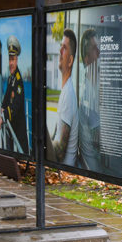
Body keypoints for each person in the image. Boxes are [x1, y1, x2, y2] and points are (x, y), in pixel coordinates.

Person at [47, 29, 79, 166]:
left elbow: (59, 152)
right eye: (60, 46)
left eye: (64, 48)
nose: (60, 51)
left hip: (64, 174)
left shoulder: (68, 95)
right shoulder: (65, 90)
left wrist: (40, 141)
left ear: (70, 60)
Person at [0, 35, 29, 154]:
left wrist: (3, 116)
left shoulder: (18, 80)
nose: (11, 63)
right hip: (12, 125)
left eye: (13, 60)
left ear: (17, 60)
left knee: (22, 152)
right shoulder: (11, 77)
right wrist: (2, 106)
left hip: (19, 128)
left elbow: (16, 105)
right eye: (10, 59)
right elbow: (7, 95)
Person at [77, 28, 102, 170]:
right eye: (94, 48)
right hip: (95, 168)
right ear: (86, 59)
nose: (99, 52)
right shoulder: (87, 94)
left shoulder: (93, 86)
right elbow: (102, 136)